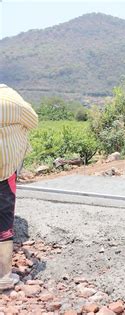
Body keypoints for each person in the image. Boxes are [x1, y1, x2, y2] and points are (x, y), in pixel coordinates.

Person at [0, 84, 38, 291]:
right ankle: (3, 274)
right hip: (4, 169)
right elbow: (33, 121)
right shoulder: (11, 98)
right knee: (4, 217)